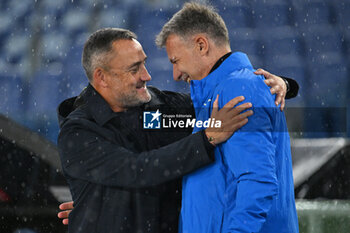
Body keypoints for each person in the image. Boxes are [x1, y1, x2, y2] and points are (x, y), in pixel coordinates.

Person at [57, 28, 298, 232]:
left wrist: (281, 84)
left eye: (144, 63)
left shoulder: (156, 113)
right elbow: (138, 170)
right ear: (101, 77)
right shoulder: (79, 132)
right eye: (134, 69)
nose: (147, 76)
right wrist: (206, 138)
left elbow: (221, 96)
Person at [155, 2, 299, 233]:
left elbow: (257, 182)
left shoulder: (236, 90)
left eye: (175, 61)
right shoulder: (216, 94)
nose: (175, 74)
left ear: (201, 45)